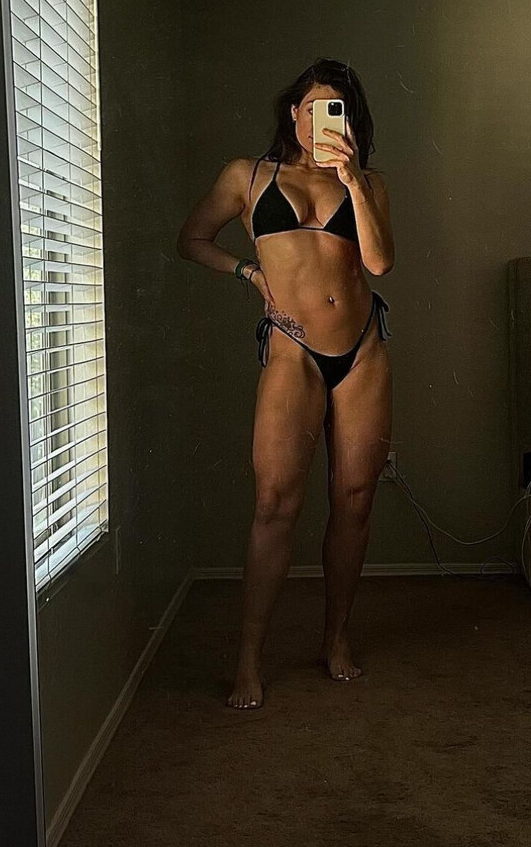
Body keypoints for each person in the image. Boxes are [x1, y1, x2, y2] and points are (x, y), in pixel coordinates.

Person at [176, 59, 395, 709]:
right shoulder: (246, 176)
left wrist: (351, 180)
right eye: (312, 107)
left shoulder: (368, 183)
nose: (320, 120)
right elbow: (191, 239)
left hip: (361, 350)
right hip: (292, 349)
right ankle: (248, 660)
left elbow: (380, 262)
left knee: (355, 498)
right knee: (274, 504)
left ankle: (335, 638)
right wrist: (248, 273)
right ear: (293, 111)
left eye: (335, 110)